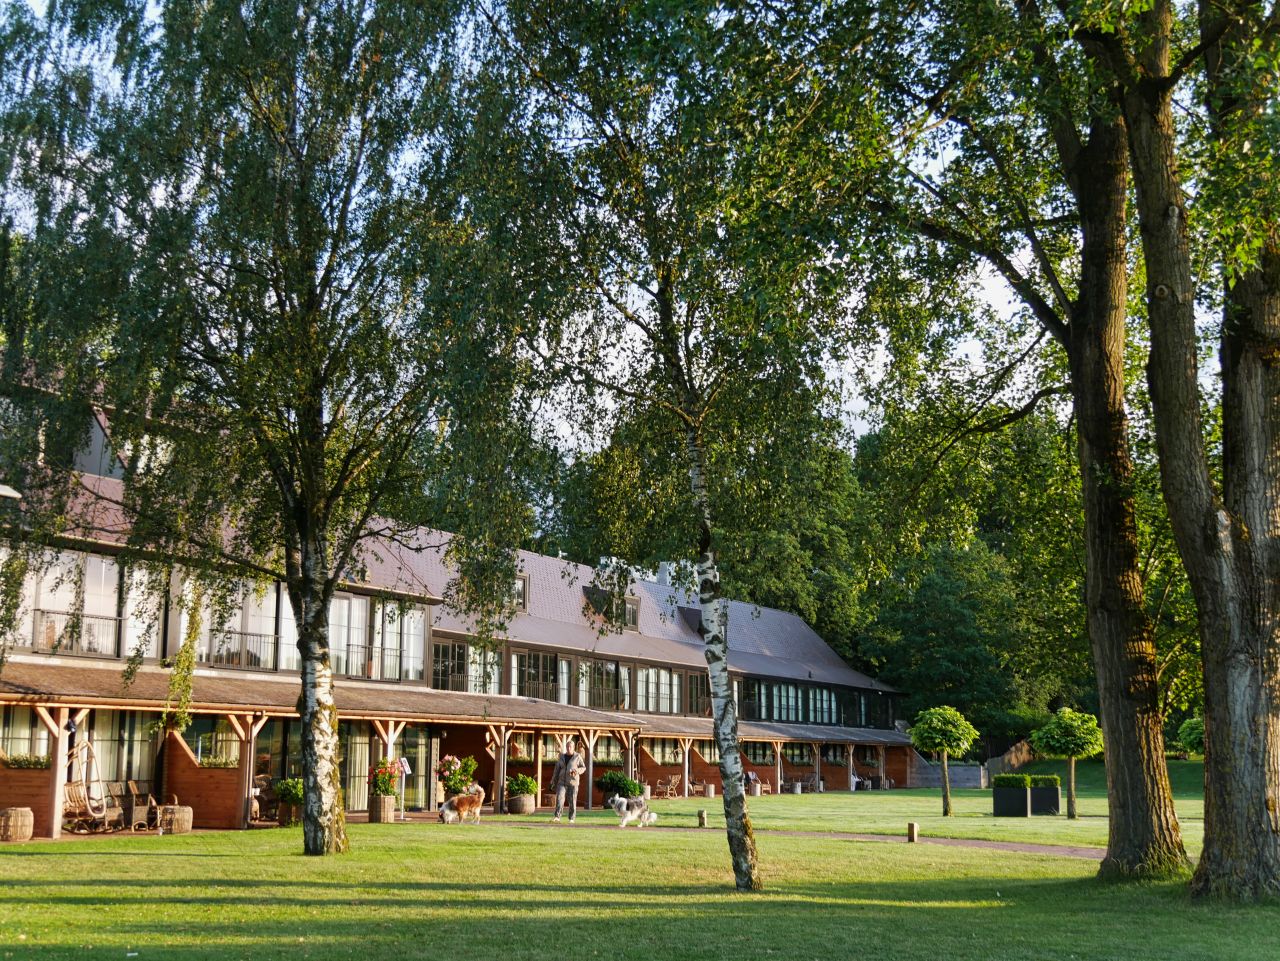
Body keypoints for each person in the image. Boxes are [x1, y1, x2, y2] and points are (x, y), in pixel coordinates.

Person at [550, 737, 587, 823]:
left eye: (570, 747)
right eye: (567, 747)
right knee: (559, 799)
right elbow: (556, 770)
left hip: (573, 782)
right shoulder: (561, 757)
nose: (568, 748)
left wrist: (576, 771)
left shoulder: (577, 756)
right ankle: (557, 817)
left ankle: (571, 818)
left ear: (573, 747)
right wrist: (553, 781)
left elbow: (583, 767)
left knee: (572, 801)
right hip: (561, 782)